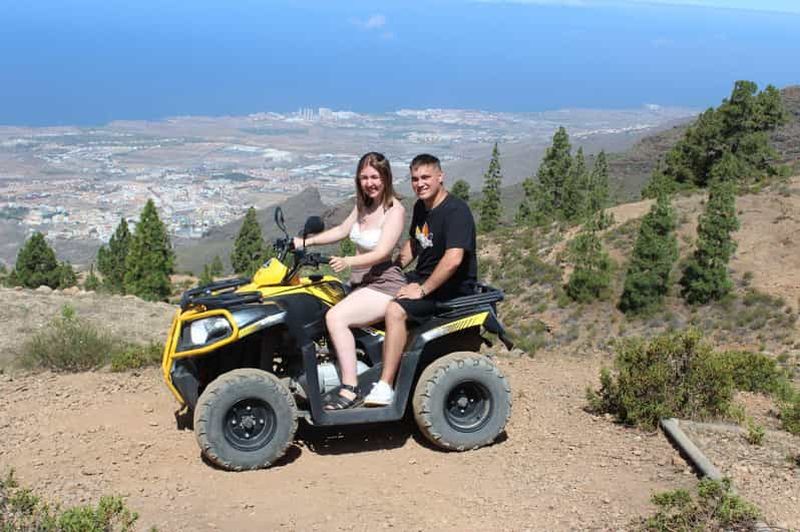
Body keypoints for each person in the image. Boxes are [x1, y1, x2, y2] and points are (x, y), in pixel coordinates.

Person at [363, 154, 478, 407]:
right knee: (370, 291)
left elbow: (453, 259)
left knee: (394, 310)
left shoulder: (456, 211)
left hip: (451, 288)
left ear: (440, 177)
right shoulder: (421, 208)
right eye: (415, 179)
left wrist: (423, 290)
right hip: (423, 279)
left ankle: (385, 385)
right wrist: (391, 269)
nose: (420, 184)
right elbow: (415, 244)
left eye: (425, 177)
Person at [295, 152, 406, 409]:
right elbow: (341, 231)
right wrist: (305, 241)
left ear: (386, 177)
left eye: (375, 177)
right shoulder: (363, 205)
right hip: (360, 283)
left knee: (336, 317)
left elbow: (381, 252)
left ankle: (349, 389)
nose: (370, 183)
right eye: (365, 177)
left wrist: (348, 262)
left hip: (383, 283)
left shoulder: (394, 211)